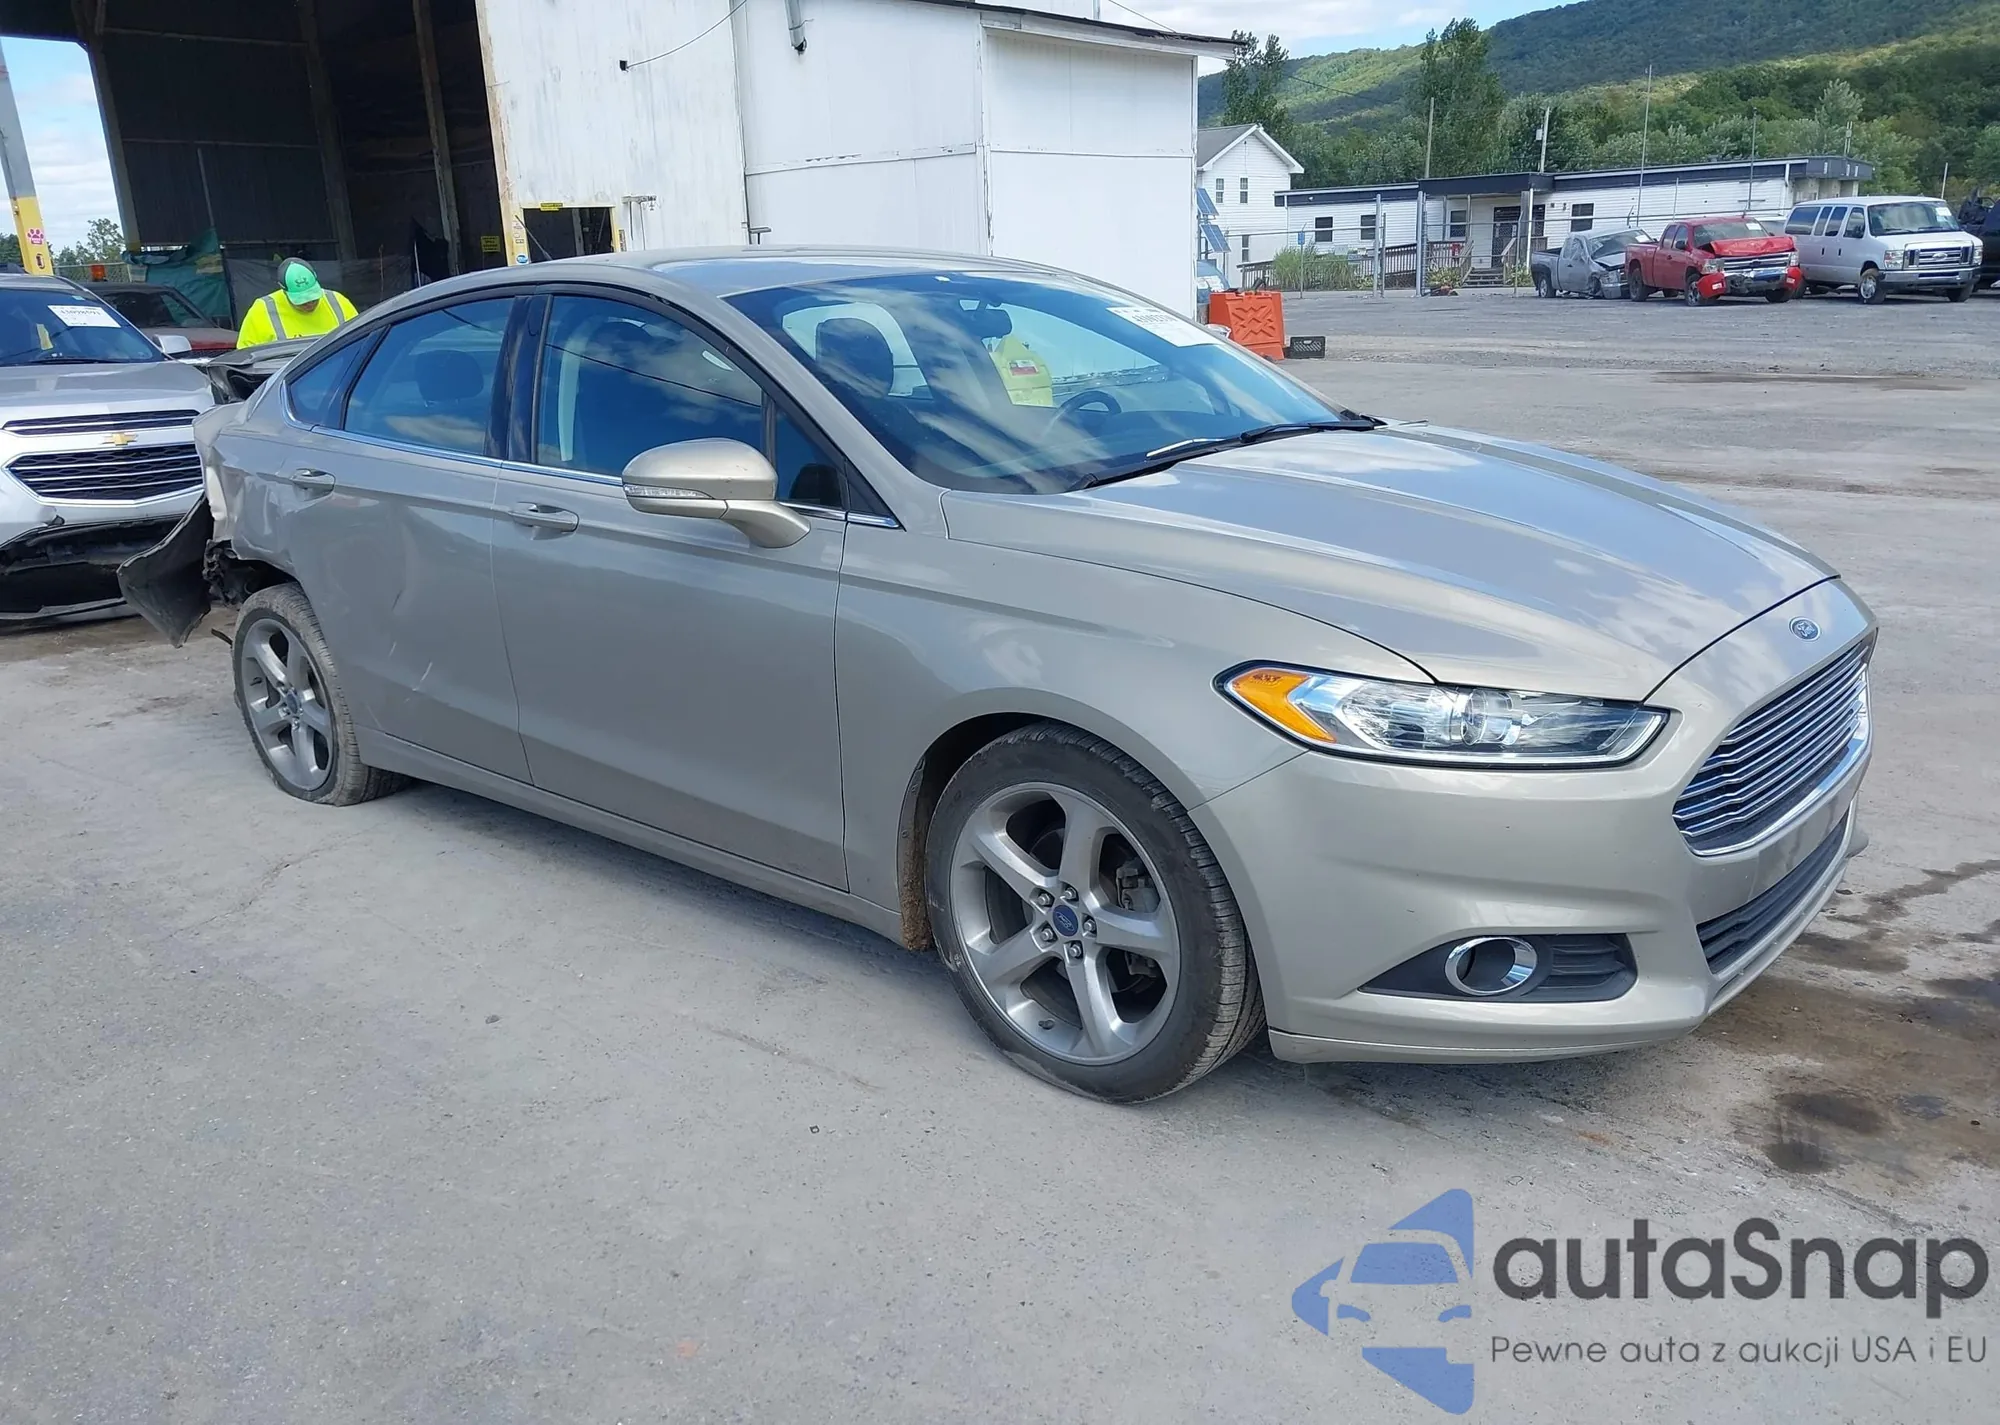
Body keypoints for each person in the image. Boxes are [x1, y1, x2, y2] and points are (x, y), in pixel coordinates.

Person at [235, 260, 357, 348]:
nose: (309, 303)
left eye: (313, 298)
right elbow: (246, 354)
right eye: (301, 301)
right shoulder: (262, 311)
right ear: (284, 290)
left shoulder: (338, 301)